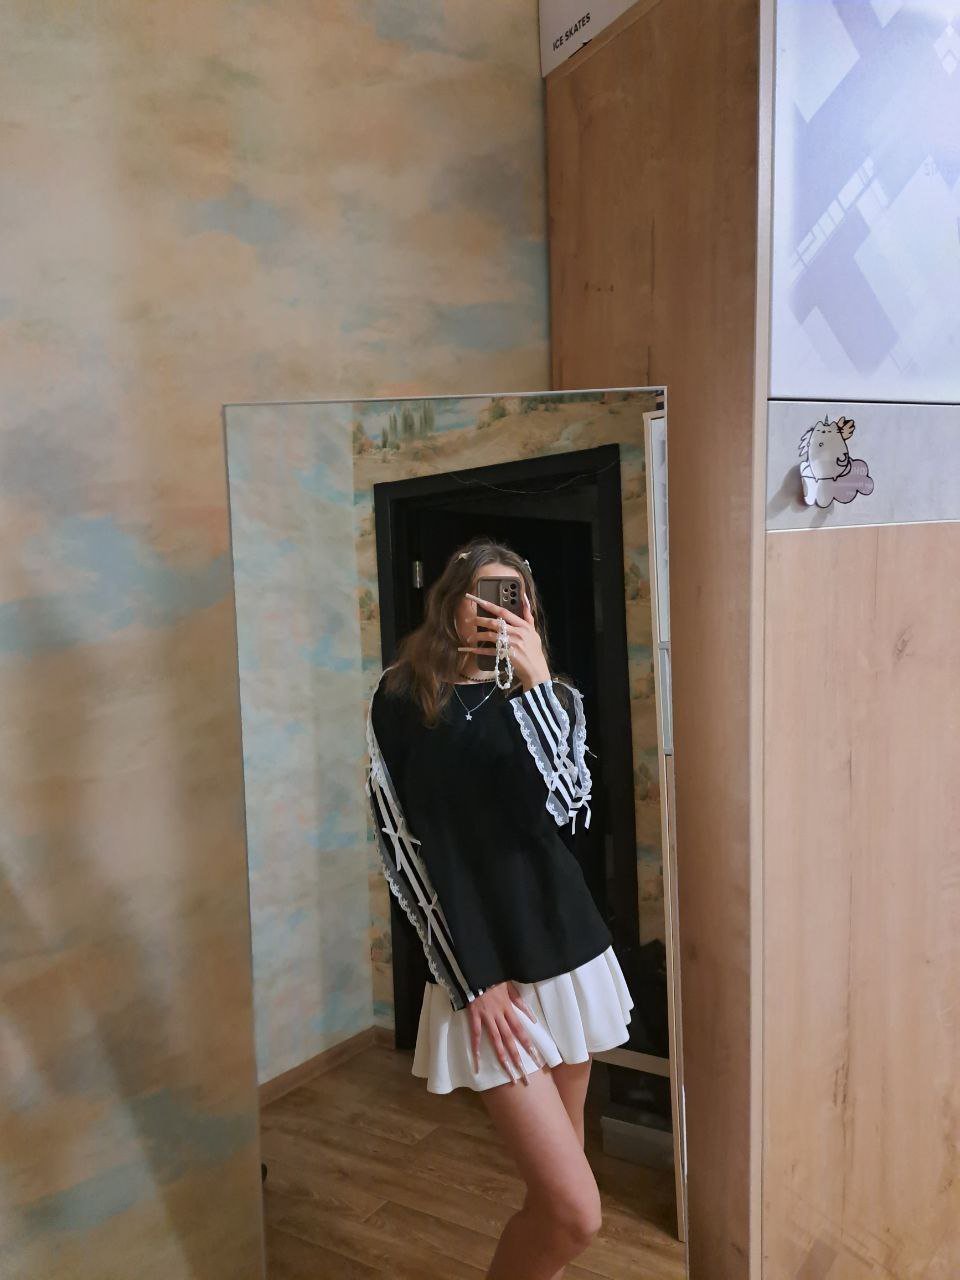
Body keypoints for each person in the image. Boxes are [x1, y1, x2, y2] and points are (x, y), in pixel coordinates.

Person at [364, 536, 634, 1279]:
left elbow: (569, 809)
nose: (497, 610)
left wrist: (537, 684)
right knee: (576, 1213)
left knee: (557, 1202)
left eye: (513, 597)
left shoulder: (554, 700)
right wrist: (471, 978)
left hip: (567, 952)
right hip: (484, 972)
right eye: (483, 593)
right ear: (450, 602)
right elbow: (404, 847)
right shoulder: (400, 697)